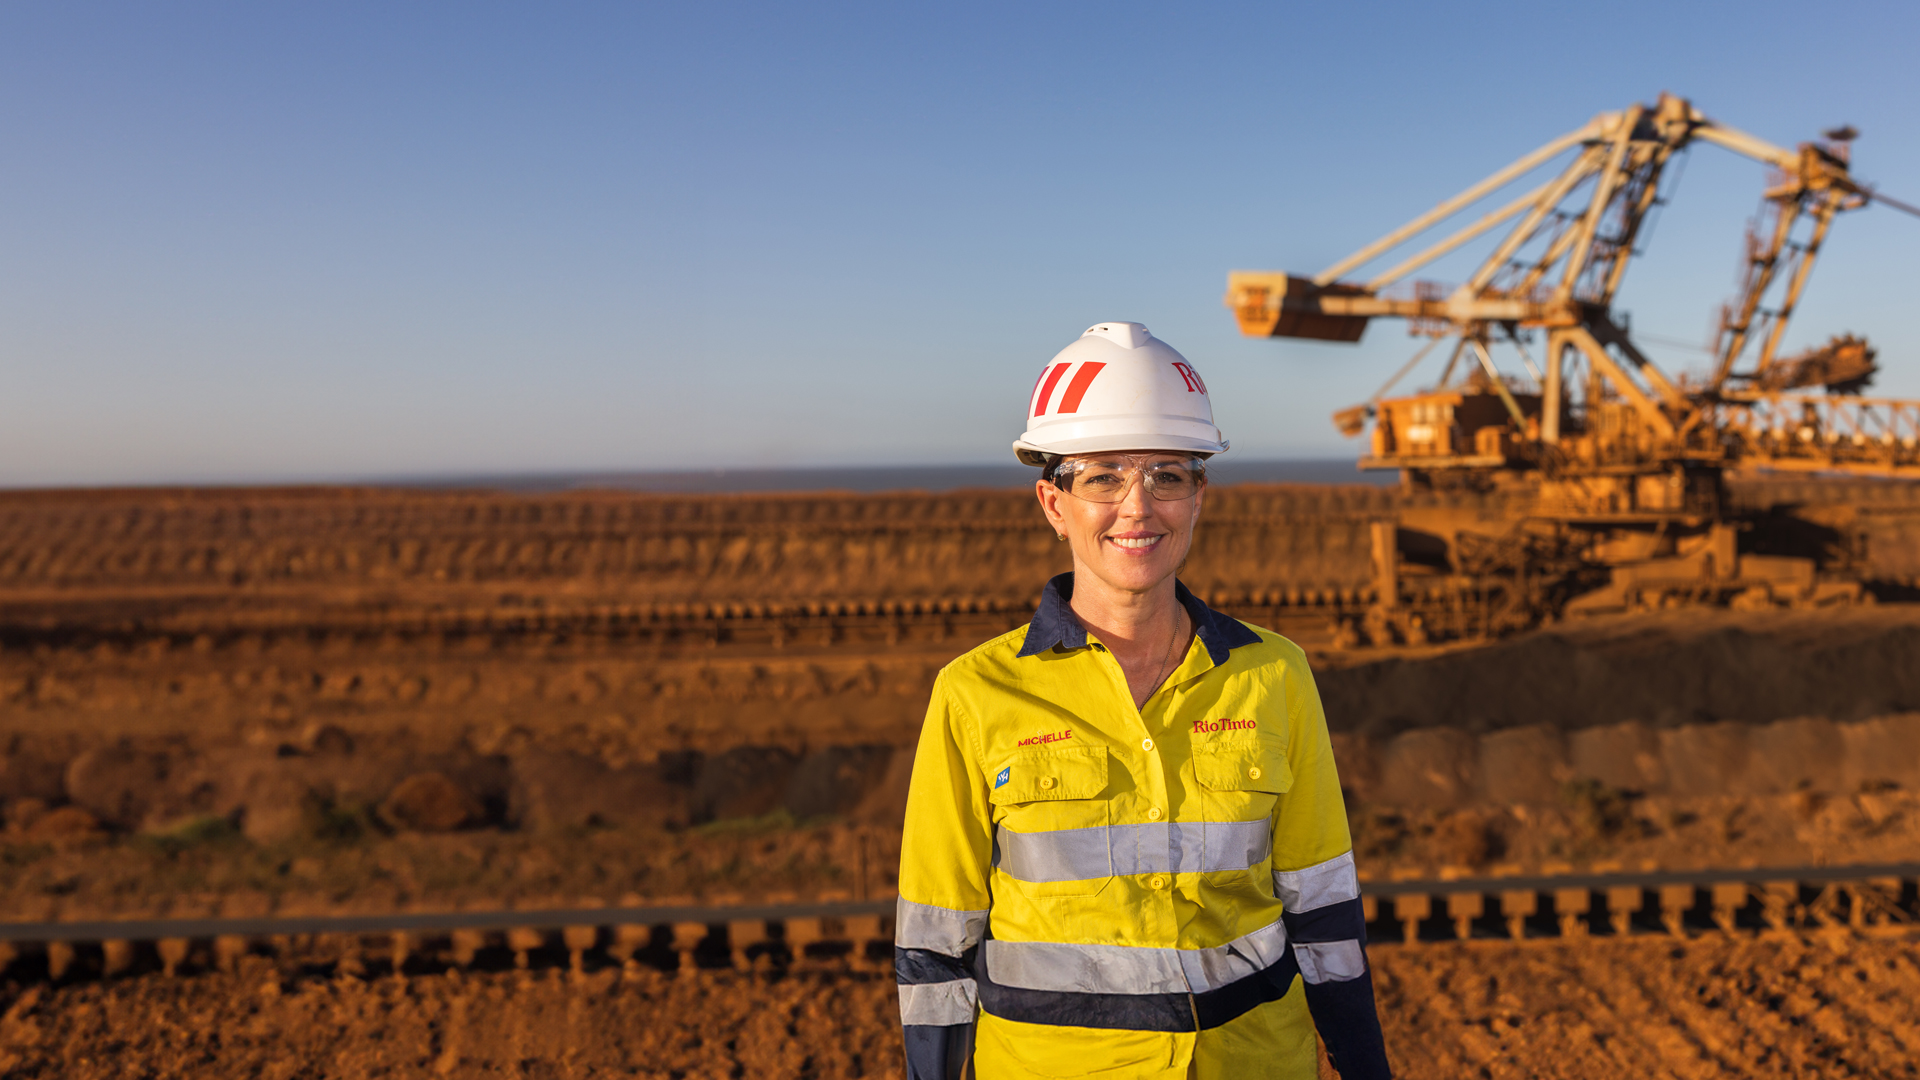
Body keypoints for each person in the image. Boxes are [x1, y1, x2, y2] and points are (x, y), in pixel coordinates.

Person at [893, 323, 1391, 1079]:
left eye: (1167, 475)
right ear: (1053, 503)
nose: (1139, 506)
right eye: (1102, 477)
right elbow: (935, 944)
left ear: (1198, 498)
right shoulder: (975, 692)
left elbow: (1324, 909)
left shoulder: (1275, 674)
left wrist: (1365, 1067)